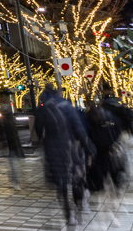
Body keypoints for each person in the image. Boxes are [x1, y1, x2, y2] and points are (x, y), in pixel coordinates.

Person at [35, 85, 91, 226]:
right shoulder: (67, 105)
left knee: (62, 184)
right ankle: (78, 211)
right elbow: (79, 127)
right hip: (72, 147)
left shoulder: (44, 108)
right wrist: (86, 147)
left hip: (53, 149)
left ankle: (69, 215)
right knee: (76, 180)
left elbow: (38, 130)